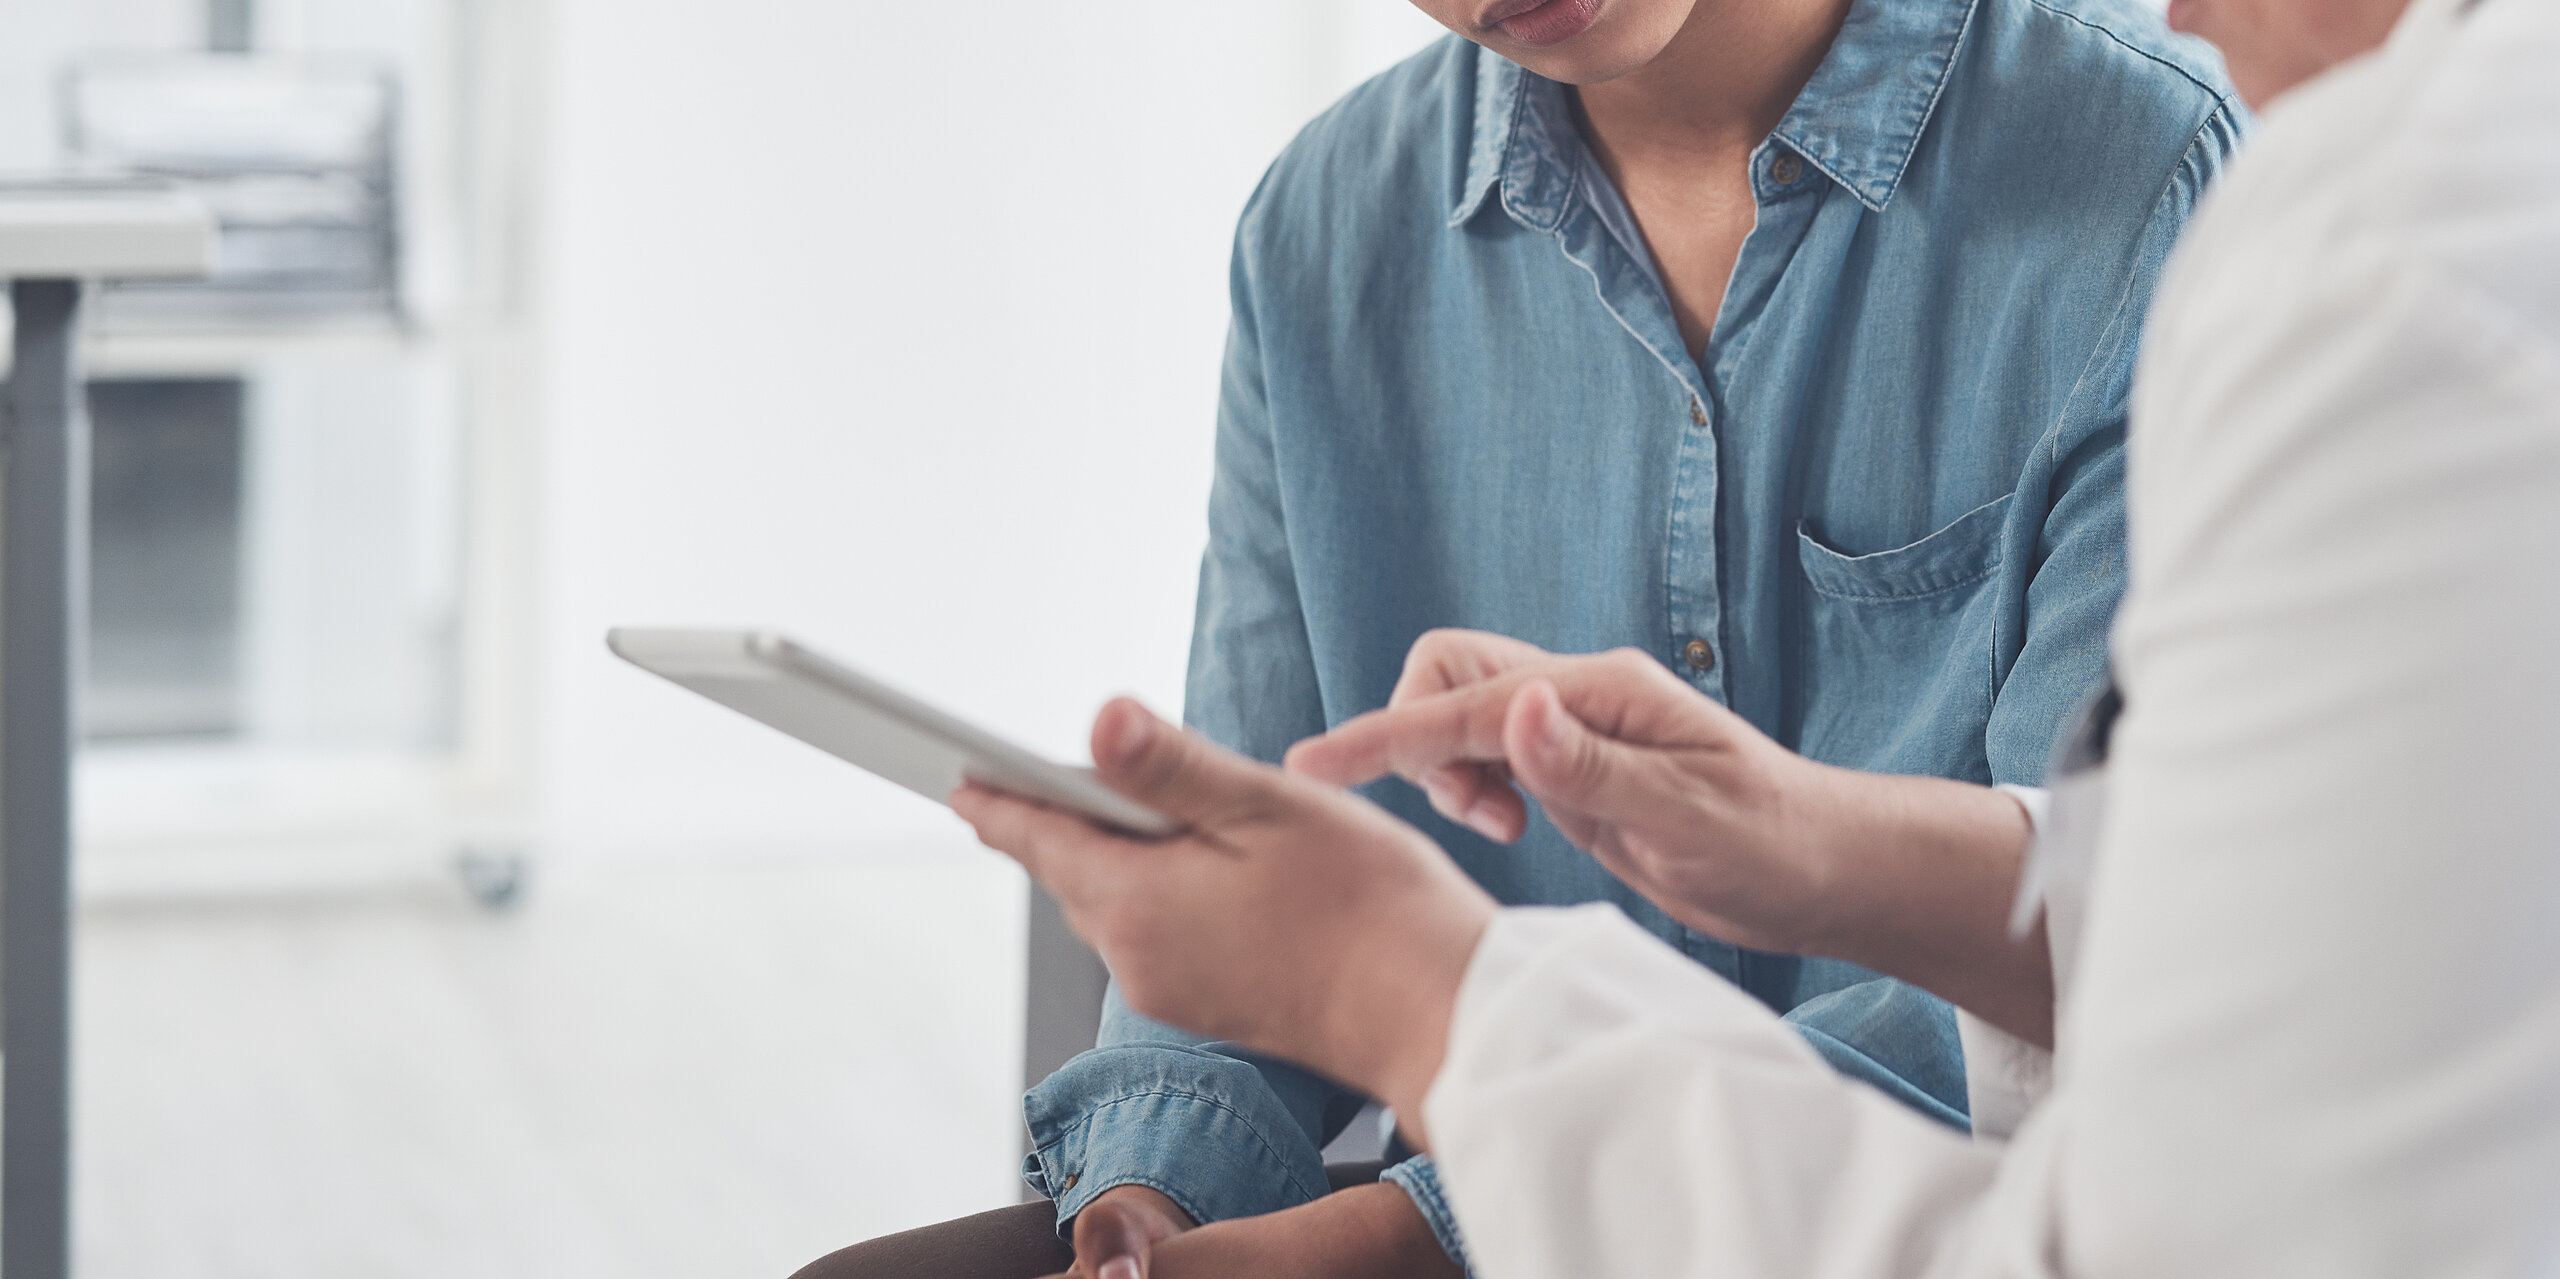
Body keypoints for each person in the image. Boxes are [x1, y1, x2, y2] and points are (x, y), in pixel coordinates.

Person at [956, 0, 2560, 1272]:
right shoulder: (1321, 231)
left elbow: (2130, 1023)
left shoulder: (2204, 187)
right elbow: (1252, 842)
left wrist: (1425, 1177)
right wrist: (1148, 1203)